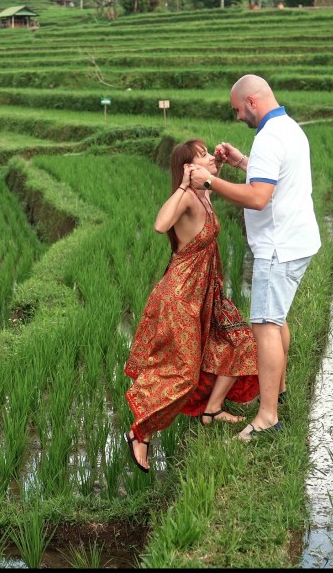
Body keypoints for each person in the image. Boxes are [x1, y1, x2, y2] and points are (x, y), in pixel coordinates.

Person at [188, 74, 320, 442]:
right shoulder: (289, 128)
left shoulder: (268, 137)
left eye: (236, 110)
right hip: (297, 241)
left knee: (263, 325)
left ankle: (267, 418)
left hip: (278, 248)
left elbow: (259, 197)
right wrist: (242, 160)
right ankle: (277, 392)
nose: (237, 118)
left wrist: (209, 181)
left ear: (250, 102)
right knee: (276, 322)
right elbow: (272, 179)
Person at [123, 139, 260, 473]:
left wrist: (219, 166)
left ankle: (212, 411)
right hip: (181, 298)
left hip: (207, 294)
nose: (209, 157)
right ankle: (140, 432)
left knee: (239, 343)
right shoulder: (186, 196)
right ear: (187, 167)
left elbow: (215, 179)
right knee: (183, 374)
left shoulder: (205, 195)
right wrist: (185, 184)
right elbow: (159, 225)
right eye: (201, 155)